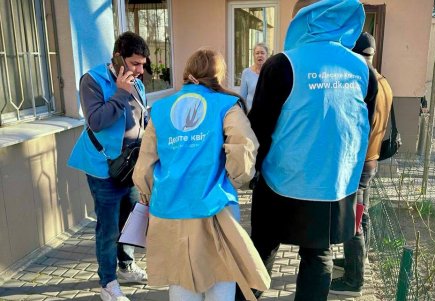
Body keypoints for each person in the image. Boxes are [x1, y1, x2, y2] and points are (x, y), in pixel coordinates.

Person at [238, 0, 378, 300]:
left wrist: (253, 171)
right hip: (333, 186)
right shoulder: (363, 70)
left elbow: (258, 127)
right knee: (318, 256)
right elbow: (363, 125)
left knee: (261, 249)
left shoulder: (282, 64)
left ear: (303, 22)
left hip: (281, 181)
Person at [132, 48, 270, 301]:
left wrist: (148, 191)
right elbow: (245, 146)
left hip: (169, 207)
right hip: (215, 204)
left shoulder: (161, 108)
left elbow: (145, 163)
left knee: (181, 281)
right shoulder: (226, 104)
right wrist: (234, 179)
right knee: (221, 276)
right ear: (218, 74)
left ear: (187, 72)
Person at [68, 31, 149, 301]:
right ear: (118, 58)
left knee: (131, 220)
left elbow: (142, 120)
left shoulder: (137, 82)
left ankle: (126, 265)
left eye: (143, 63)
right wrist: (120, 93)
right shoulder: (92, 80)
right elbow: (96, 121)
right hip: (104, 167)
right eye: (135, 63)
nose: (141, 69)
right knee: (108, 227)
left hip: (131, 165)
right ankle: (108, 283)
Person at [329, 32, 393, 297]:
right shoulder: (383, 81)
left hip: (358, 162)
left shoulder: (365, 82)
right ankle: (356, 261)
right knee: (360, 215)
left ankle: (354, 281)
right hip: (372, 159)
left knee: (351, 220)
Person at [239, 43, 269, 111]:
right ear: (253, 55)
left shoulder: (272, 73)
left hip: (267, 113)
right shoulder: (246, 72)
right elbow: (242, 96)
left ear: (267, 55)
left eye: (262, 53)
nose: (260, 55)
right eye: (257, 53)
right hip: (250, 113)